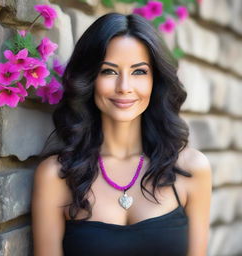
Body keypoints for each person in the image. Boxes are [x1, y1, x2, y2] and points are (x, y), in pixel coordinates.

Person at [31, 12, 212, 256]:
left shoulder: (191, 170)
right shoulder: (56, 175)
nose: (124, 87)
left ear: (155, 80)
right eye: (109, 71)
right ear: (89, 79)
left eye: (139, 72)